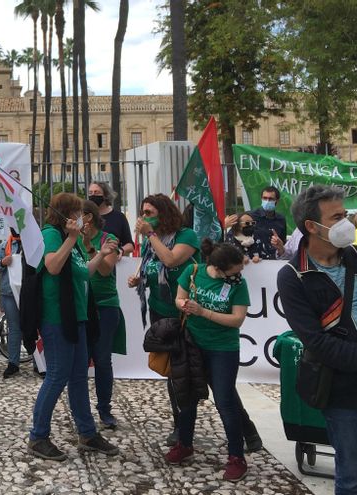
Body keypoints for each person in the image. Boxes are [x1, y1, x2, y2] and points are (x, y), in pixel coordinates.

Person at [278, 185, 357, 494]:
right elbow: (318, 343)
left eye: (346, 214)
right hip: (344, 394)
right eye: (337, 216)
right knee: (353, 477)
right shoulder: (293, 276)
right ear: (312, 227)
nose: (347, 222)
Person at [27, 192, 120, 462]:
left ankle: (88, 433)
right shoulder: (51, 234)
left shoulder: (78, 240)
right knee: (57, 375)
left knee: (79, 376)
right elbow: (53, 266)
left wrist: (100, 254)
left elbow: (83, 273)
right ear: (68, 215)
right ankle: (38, 436)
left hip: (78, 316)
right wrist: (70, 238)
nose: (83, 217)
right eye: (79, 212)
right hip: (57, 317)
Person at [168, 239, 251, 481]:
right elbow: (178, 298)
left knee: (225, 401)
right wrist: (183, 305)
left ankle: (237, 457)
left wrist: (203, 312)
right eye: (235, 269)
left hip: (223, 348)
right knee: (187, 397)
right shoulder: (193, 271)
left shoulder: (238, 284)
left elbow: (237, 320)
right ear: (218, 267)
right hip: (192, 345)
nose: (240, 272)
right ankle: (184, 443)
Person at [127, 193, 200, 446]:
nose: (145, 217)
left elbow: (170, 260)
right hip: (160, 312)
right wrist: (140, 279)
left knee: (192, 373)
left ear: (164, 213)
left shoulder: (186, 236)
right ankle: (180, 426)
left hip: (184, 313)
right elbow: (152, 265)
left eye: (150, 213)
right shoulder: (153, 241)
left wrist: (150, 234)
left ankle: (246, 429)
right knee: (172, 373)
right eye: (143, 213)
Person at [80, 200, 124, 429]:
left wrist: (89, 246)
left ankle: (104, 409)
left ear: (88, 217)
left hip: (105, 306)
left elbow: (106, 269)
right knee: (79, 360)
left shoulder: (109, 239)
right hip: (81, 306)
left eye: (79, 215)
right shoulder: (72, 237)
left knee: (102, 360)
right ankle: (81, 410)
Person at [0, 227, 24, 378]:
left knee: (34, 327)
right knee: (14, 328)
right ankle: (13, 363)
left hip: (27, 292)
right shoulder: (5, 244)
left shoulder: (31, 243)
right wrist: (3, 262)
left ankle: (40, 363)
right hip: (9, 292)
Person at [226, 186, 286, 259]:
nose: (267, 201)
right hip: (253, 260)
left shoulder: (281, 219)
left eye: (271, 199)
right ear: (261, 199)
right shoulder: (250, 216)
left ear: (277, 201)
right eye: (265, 198)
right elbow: (234, 234)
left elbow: (283, 243)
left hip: (273, 261)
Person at [88, 181, 133, 255]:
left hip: (111, 260)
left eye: (97, 192)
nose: (93, 195)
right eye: (90, 193)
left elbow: (130, 245)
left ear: (105, 195)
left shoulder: (119, 217)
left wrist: (120, 251)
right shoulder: (86, 216)